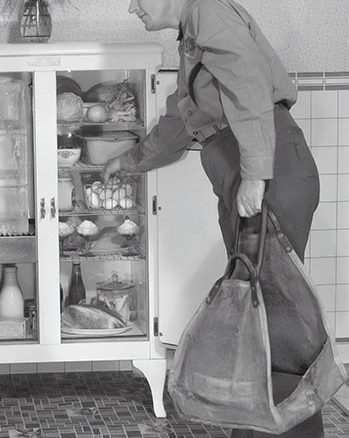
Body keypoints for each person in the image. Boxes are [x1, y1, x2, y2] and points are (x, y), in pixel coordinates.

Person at [104, 1, 321, 437]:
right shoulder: (191, 34)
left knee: (273, 314)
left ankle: (283, 427)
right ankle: (262, 424)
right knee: (260, 309)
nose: (131, 7)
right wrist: (128, 162)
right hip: (248, 174)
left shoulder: (206, 11)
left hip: (269, 173)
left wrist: (256, 177)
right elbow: (184, 121)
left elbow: (249, 85)